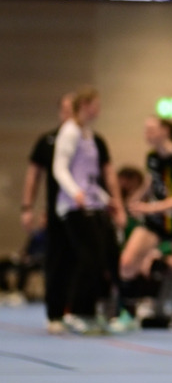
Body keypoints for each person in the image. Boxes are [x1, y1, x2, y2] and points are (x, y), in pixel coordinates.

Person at [52, 86, 126, 333]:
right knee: (87, 258)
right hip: (74, 206)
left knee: (100, 258)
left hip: (92, 203)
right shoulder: (69, 132)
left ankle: (90, 311)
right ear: (84, 106)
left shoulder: (89, 135)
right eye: (96, 104)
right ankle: (76, 311)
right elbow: (60, 168)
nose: (99, 110)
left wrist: (106, 199)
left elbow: (90, 177)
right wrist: (76, 193)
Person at [117, 118, 172, 322]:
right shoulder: (152, 157)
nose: (147, 134)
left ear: (165, 131)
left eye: (151, 130)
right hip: (155, 221)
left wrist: (147, 207)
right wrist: (135, 199)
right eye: (145, 130)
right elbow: (150, 180)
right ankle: (127, 313)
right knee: (127, 262)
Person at [22, 93, 76, 332]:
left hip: (84, 212)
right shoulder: (48, 141)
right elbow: (33, 175)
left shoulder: (89, 139)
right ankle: (55, 313)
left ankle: (79, 310)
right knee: (56, 261)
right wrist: (27, 207)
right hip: (57, 212)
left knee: (84, 261)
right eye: (66, 108)